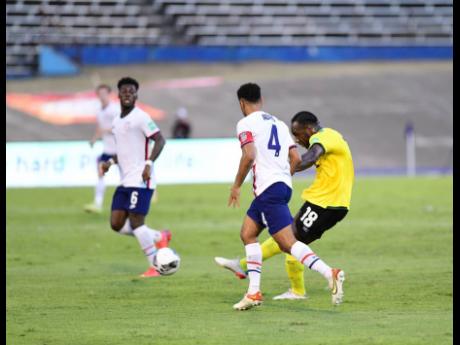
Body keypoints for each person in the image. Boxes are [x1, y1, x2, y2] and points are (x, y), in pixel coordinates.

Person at [228, 83, 346, 311]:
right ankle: (253, 292)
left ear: (242, 103)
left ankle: (330, 273)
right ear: (260, 99)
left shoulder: (245, 123)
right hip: (280, 187)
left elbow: (249, 154)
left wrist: (236, 185)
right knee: (248, 233)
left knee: (287, 243)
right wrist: (283, 177)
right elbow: (295, 159)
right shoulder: (280, 124)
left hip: (267, 189)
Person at [101, 77, 171, 278]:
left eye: (131, 92)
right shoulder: (117, 121)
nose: (127, 94)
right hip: (125, 180)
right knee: (116, 224)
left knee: (136, 223)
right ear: (119, 95)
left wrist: (149, 163)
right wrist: (110, 163)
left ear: (136, 95)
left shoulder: (141, 117)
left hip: (141, 180)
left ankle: (155, 266)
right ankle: (159, 236)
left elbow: (160, 140)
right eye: (124, 91)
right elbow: (123, 151)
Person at [84, 84, 119, 214]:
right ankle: (97, 204)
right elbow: (100, 127)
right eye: (100, 93)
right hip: (107, 150)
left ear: (109, 94)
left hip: (119, 150)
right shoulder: (100, 111)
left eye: (104, 93)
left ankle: (130, 203)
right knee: (100, 173)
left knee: (125, 178)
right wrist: (94, 139)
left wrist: (106, 130)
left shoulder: (115, 110)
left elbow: (120, 127)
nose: (102, 96)